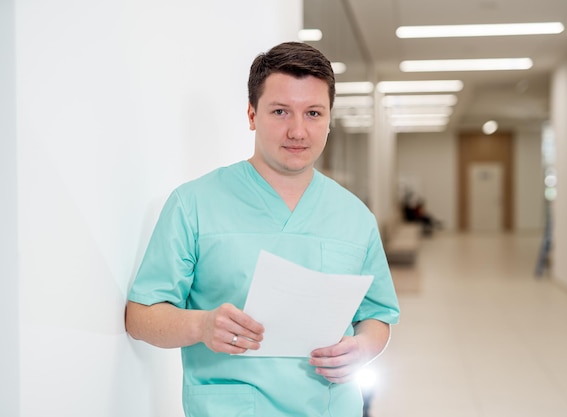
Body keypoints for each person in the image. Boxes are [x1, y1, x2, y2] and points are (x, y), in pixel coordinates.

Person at [125, 41, 400, 417]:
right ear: (252, 115)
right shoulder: (193, 205)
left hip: (331, 407)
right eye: (281, 111)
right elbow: (140, 317)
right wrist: (201, 325)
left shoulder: (354, 217)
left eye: (314, 113)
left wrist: (364, 347)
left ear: (330, 119)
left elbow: (377, 315)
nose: (298, 131)